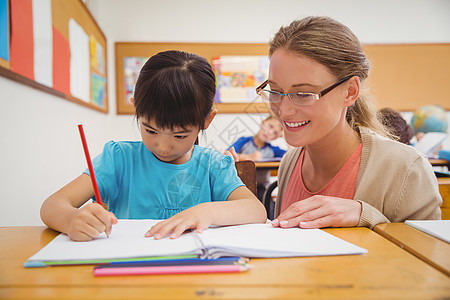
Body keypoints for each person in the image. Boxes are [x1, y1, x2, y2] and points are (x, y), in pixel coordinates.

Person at [41, 50, 267, 241]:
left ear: (206, 121)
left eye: (179, 136)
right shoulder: (119, 159)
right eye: (151, 130)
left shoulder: (213, 165)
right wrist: (72, 220)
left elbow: (257, 211)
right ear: (136, 109)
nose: (163, 146)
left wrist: (205, 211)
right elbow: (52, 206)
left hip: (195, 275)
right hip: (129, 274)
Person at [255, 16, 442, 229]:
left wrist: (366, 216)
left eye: (304, 94)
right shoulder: (290, 162)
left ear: (351, 91)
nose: (285, 111)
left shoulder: (406, 168)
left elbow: (431, 256)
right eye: (276, 91)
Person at [227, 115, 286, 201]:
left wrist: (287, 135)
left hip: (262, 189)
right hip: (240, 187)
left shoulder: (273, 150)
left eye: (275, 133)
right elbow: (227, 154)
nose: (270, 132)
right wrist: (249, 157)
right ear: (263, 122)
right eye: (270, 126)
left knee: (267, 201)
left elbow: (291, 155)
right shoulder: (244, 141)